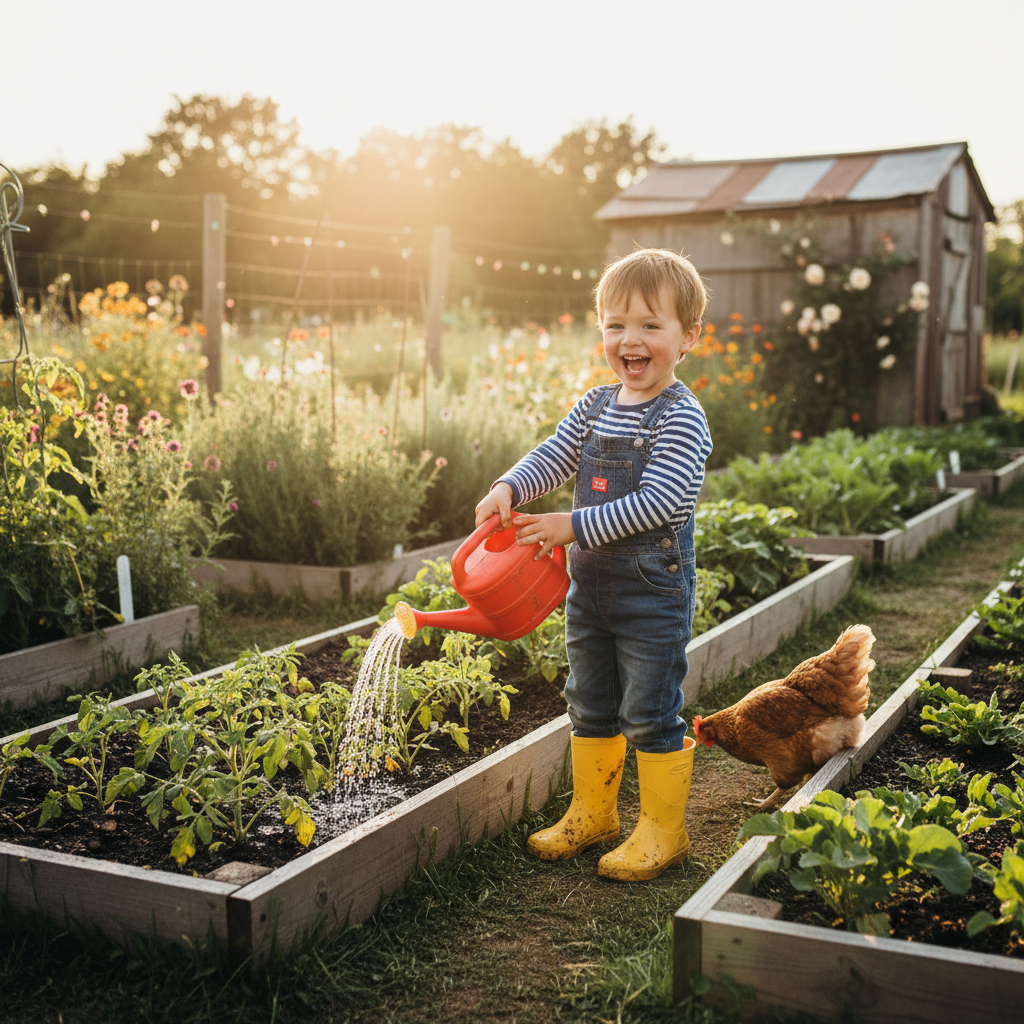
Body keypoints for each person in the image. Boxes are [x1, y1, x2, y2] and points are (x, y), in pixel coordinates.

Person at [474, 248, 712, 882]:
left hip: (650, 594)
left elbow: (661, 503)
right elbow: (555, 455)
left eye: (650, 326)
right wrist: (510, 489)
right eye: (615, 325)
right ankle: (593, 814)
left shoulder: (682, 417)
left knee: (649, 710)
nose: (630, 340)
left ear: (688, 337)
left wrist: (567, 526)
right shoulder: (596, 406)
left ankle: (665, 831)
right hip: (590, 590)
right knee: (590, 702)